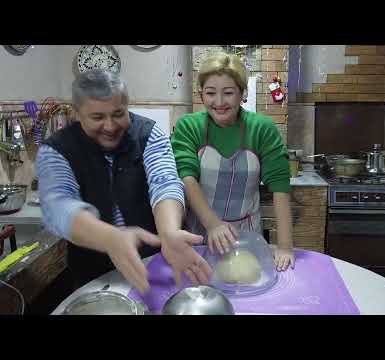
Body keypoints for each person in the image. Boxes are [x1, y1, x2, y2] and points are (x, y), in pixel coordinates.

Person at [36, 69, 212, 293]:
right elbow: (59, 206)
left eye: (118, 114)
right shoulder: (56, 150)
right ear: (77, 114)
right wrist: (111, 238)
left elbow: (165, 182)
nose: (110, 126)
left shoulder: (148, 133)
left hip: (155, 265)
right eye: (98, 117)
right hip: (95, 279)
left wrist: (168, 234)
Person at [171, 52, 295, 271]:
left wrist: (285, 246)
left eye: (228, 93)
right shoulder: (189, 127)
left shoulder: (262, 129)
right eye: (210, 93)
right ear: (201, 94)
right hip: (199, 234)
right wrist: (213, 224)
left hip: (247, 236)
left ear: (242, 94)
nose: (219, 102)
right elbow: (186, 177)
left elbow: (280, 186)